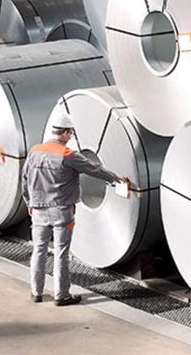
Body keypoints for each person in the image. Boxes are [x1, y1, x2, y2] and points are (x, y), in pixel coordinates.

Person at [21, 112, 129, 306]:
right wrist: (115, 178)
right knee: (61, 253)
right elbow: (94, 168)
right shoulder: (67, 155)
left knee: (39, 249)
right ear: (64, 133)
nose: (71, 137)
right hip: (61, 211)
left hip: (37, 210)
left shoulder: (35, 151)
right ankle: (61, 295)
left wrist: (29, 202)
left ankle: (36, 292)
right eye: (70, 133)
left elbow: (25, 179)